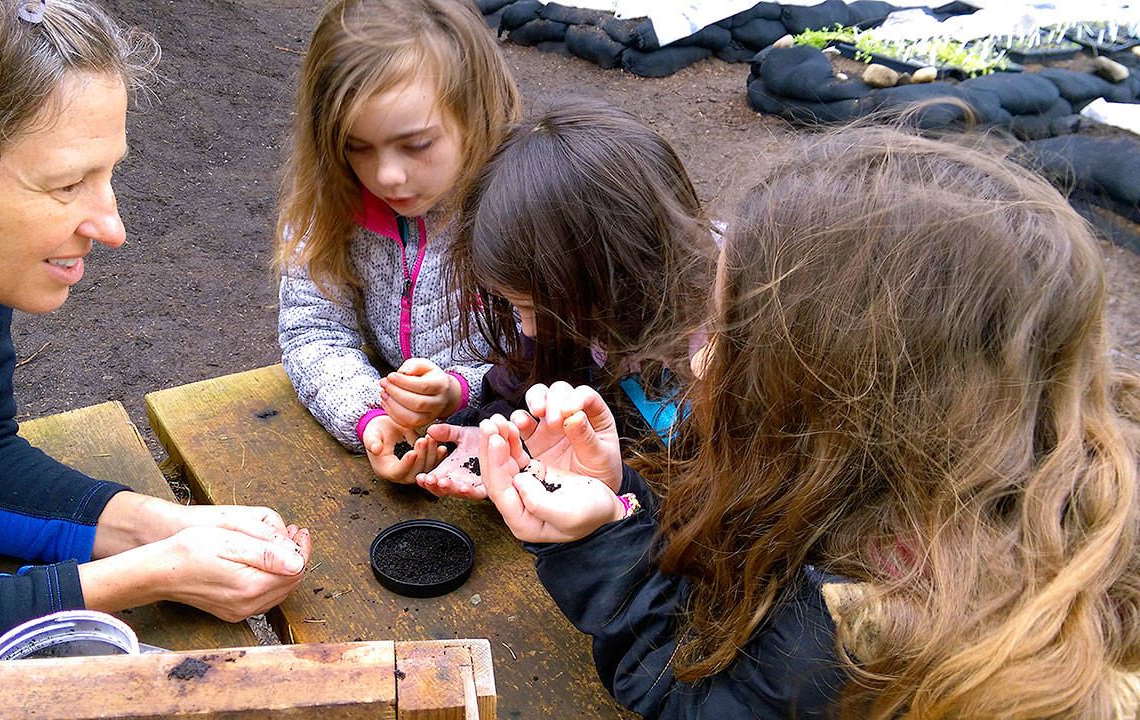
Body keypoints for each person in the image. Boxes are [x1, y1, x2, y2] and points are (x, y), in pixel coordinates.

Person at [477, 125, 1140, 718]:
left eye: (729, 336)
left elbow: (691, 698)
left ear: (841, 402)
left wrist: (595, 551)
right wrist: (618, 510)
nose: (698, 361)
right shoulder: (928, 509)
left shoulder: (849, 638)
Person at [0, 0, 311, 665]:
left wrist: (157, 527)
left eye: (109, 173)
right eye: (67, 183)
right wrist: (142, 578)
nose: (112, 226)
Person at [275, 0, 520, 485]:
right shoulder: (331, 203)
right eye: (356, 147)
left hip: (511, 450)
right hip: (404, 444)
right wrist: (372, 415)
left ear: (477, 115)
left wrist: (458, 392)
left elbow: (555, 357)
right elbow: (312, 331)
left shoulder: (521, 208)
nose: (386, 175)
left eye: (417, 144)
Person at [416, 99, 712, 500]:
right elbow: (517, 387)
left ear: (621, 272)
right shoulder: (568, 313)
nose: (528, 328)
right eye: (513, 306)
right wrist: (496, 435)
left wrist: (613, 495)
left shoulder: (719, 353)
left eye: (538, 309)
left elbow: (722, 502)